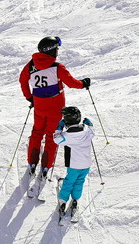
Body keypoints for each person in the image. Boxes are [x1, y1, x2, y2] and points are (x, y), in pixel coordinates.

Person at [19, 36, 89, 187]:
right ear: (51, 51)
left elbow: (22, 80)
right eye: (57, 49)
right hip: (55, 108)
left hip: (39, 105)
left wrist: (29, 97)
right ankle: (46, 166)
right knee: (52, 136)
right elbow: (71, 83)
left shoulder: (31, 66)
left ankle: (32, 163)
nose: (58, 52)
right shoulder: (57, 67)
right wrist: (83, 83)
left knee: (37, 132)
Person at [53, 106, 95, 221]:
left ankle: (63, 200)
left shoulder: (66, 136)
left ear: (66, 120)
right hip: (86, 165)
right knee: (80, 181)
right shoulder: (86, 133)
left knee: (69, 181)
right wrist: (89, 124)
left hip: (74, 165)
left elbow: (56, 139)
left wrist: (59, 127)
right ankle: (75, 199)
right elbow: (92, 132)